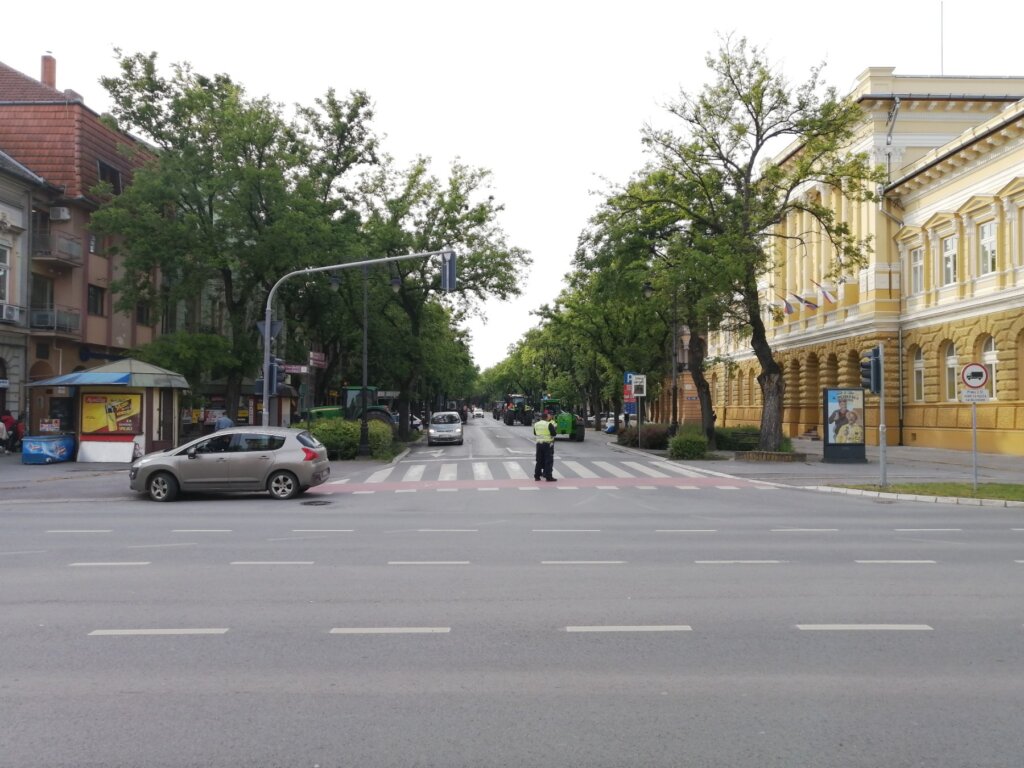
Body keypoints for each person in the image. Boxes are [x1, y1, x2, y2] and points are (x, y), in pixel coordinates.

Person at [533, 409, 558, 482]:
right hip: (547, 444)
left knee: (539, 460)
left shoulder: (536, 424)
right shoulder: (548, 424)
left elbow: (535, 433)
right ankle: (548, 476)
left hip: (539, 444)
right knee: (548, 461)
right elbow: (554, 434)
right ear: (547, 417)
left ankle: (537, 476)